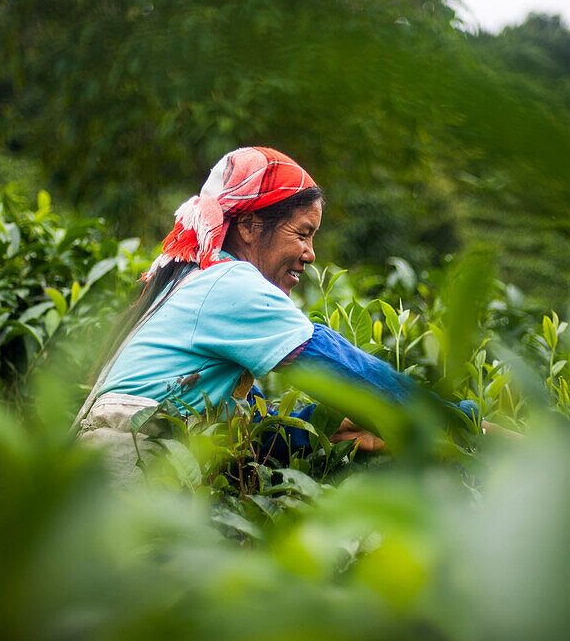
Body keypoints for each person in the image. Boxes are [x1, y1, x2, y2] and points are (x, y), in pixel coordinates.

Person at [74, 146, 481, 476]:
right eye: (302, 233)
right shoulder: (228, 283)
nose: (310, 253)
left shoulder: (193, 282)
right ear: (249, 226)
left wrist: (329, 431)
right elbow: (340, 367)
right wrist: (465, 426)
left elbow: (251, 431)